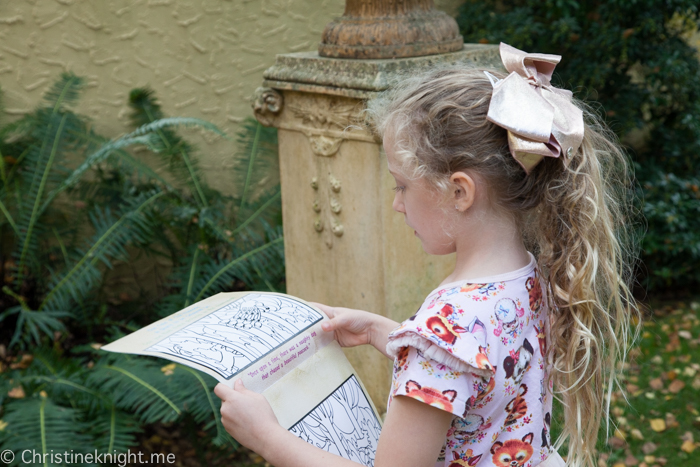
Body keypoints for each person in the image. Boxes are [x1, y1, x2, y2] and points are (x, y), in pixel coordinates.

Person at [214, 43, 639, 467]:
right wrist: (383, 333)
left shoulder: (445, 330)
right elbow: (480, 369)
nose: (397, 204)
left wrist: (267, 437)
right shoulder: (530, 276)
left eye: (401, 185)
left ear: (459, 191)